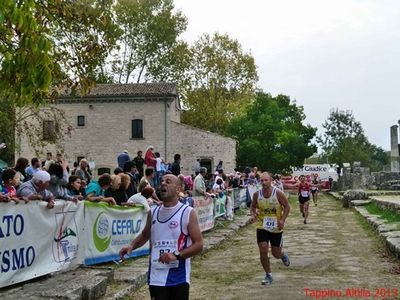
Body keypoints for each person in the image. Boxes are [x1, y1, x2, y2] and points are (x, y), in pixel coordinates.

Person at [119, 174, 203, 300]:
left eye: (168, 182)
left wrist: (176, 255)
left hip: (178, 278)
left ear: (178, 189)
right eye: (162, 181)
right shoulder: (152, 212)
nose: (163, 183)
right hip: (156, 277)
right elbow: (145, 235)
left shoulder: (187, 212)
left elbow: (199, 245)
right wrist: (131, 246)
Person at [249, 172, 290, 285]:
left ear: (270, 180)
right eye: (262, 180)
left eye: (266, 180)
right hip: (262, 225)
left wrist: (282, 220)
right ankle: (268, 275)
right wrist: (253, 215)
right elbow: (252, 206)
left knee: (275, 253)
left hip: (276, 226)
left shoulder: (278, 193)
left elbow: (287, 206)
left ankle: (282, 255)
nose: (264, 182)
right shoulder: (257, 194)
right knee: (263, 248)